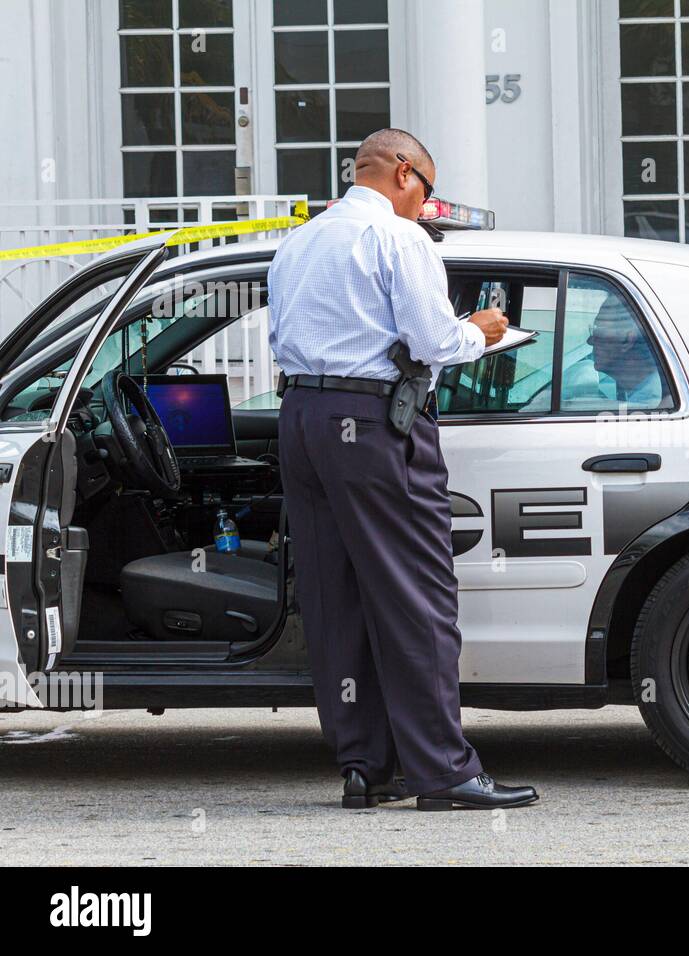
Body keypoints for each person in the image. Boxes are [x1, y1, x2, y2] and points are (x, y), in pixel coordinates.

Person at [268, 127, 538, 811]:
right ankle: (443, 772)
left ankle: (366, 768)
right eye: (429, 191)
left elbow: (280, 339)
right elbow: (433, 341)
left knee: (336, 600)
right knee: (417, 597)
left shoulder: (299, 241)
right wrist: (484, 330)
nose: (427, 207)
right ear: (406, 175)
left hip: (302, 420)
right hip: (374, 427)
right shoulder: (399, 238)